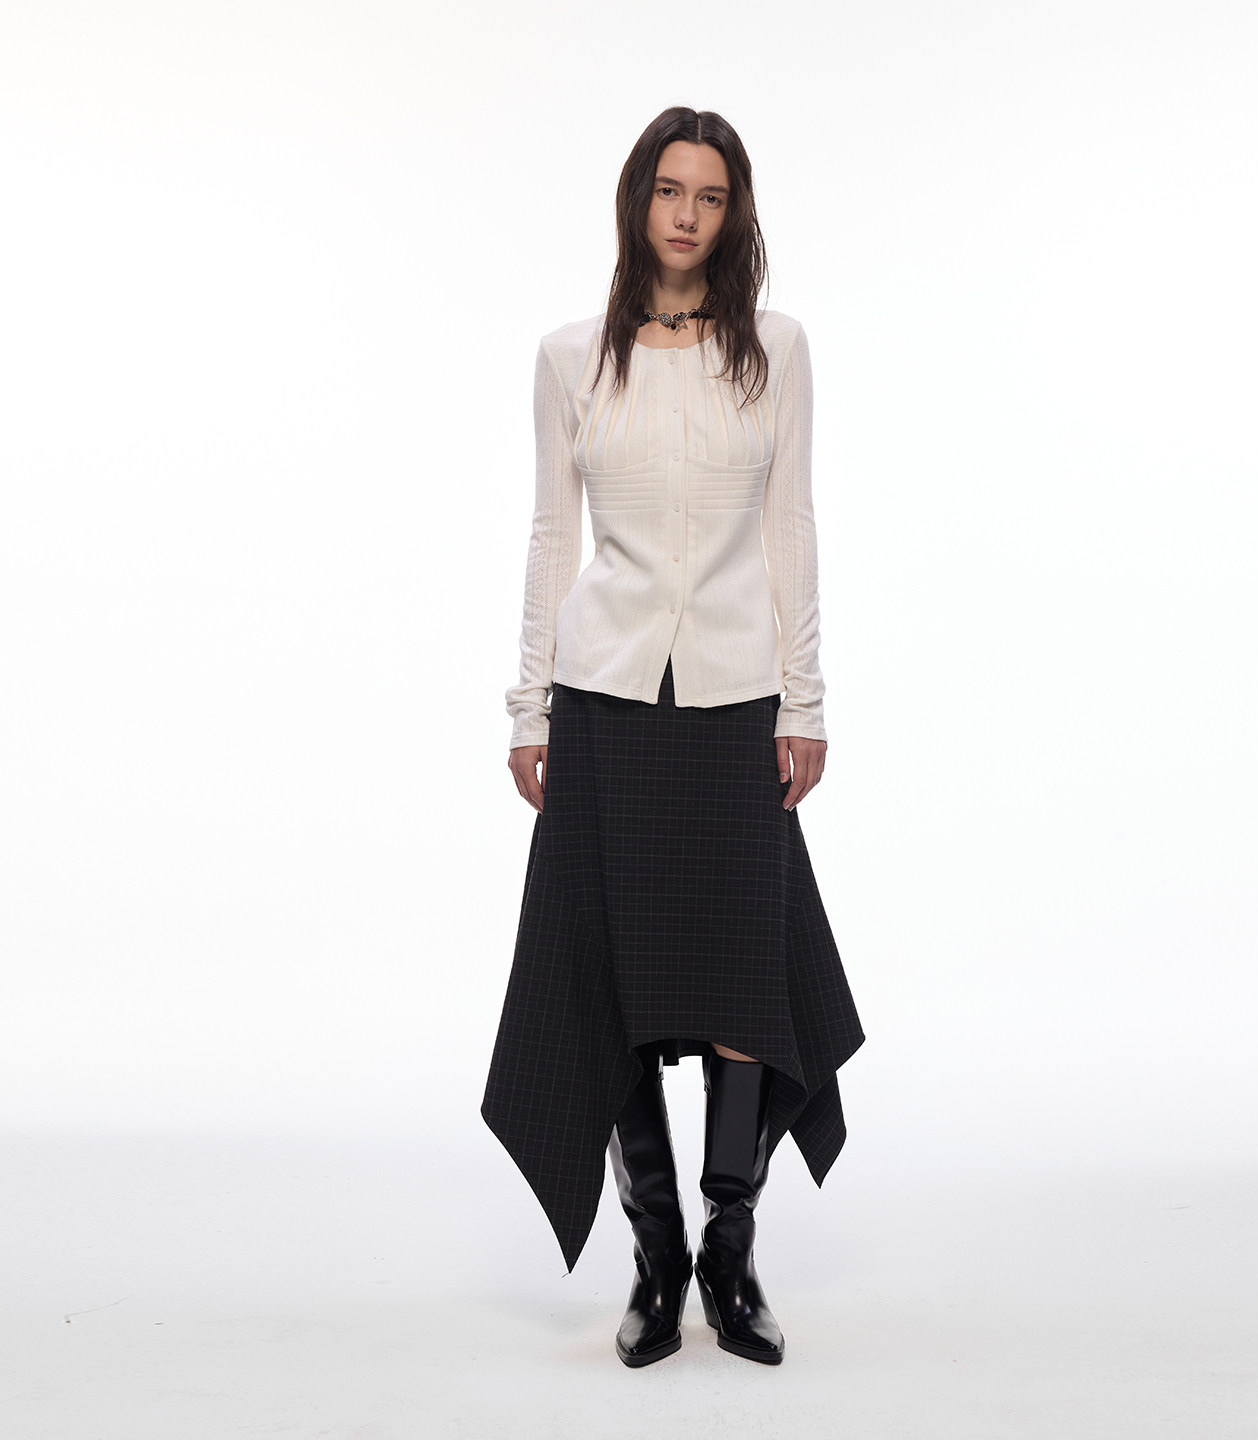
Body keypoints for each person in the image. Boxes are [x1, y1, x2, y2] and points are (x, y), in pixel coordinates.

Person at [481, 105, 865, 1369]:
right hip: (606, 703)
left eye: (710, 194)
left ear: (733, 211)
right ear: (637, 200)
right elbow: (554, 536)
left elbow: (793, 525)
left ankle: (730, 1254)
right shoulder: (570, 359)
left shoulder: (777, 352)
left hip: (737, 700)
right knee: (615, 983)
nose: (688, 214)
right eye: (669, 189)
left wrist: (805, 701)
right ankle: (656, 1259)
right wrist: (529, 707)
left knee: (746, 976)